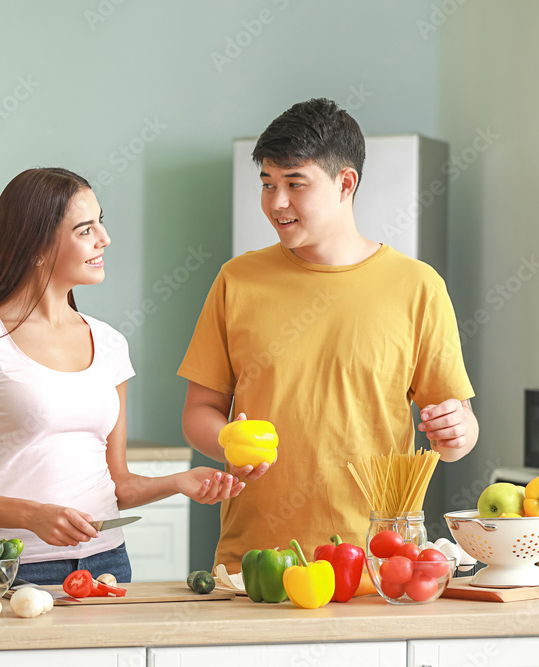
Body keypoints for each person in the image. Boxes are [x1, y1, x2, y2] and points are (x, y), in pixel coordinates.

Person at [178, 98, 479, 572]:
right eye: (268, 184)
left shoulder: (418, 287)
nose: (277, 203)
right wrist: (229, 441)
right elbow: (199, 413)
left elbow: (458, 432)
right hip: (256, 562)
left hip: (380, 563)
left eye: (295, 184)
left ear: (345, 183)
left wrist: (457, 432)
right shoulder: (237, 280)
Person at [0, 167, 244, 585]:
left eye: (100, 223)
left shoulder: (109, 344)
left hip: (107, 564)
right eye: (85, 229)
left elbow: (118, 484)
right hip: (13, 567)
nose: (104, 239)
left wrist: (180, 482)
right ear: (36, 246)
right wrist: (32, 516)